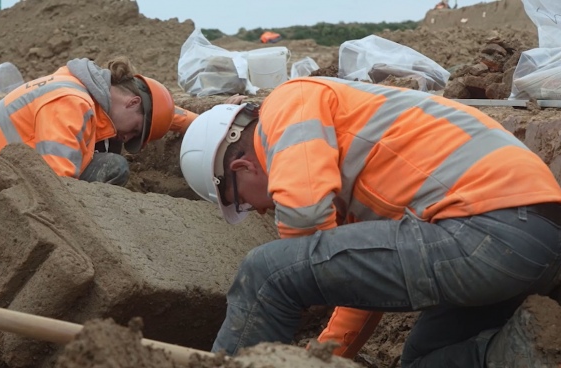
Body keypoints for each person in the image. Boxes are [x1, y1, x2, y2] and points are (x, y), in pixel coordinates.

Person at [179, 76, 561, 367]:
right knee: (425, 359)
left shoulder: (290, 100)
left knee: (265, 270)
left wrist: (288, 277)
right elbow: (355, 288)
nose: (257, 210)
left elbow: (304, 226)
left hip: (489, 226)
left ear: (240, 167)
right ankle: (522, 352)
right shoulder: (349, 171)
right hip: (535, 241)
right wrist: (321, 356)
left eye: (241, 200)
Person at [0, 56, 242, 194]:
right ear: (132, 102)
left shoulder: (85, 87)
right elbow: (55, 184)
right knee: (114, 165)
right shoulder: (72, 104)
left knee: (108, 156)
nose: (127, 135)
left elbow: (165, 114)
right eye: (134, 130)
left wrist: (211, 121)